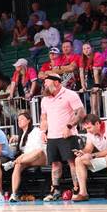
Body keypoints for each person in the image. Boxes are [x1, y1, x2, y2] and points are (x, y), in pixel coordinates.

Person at [40, 74, 84, 202]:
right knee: (54, 163)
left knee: (72, 162)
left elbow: (80, 112)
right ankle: (55, 190)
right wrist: (43, 131)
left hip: (68, 135)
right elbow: (43, 117)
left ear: (57, 83)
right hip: (52, 136)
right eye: (44, 84)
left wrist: (69, 126)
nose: (45, 86)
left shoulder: (70, 94)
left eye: (47, 83)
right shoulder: (45, 99)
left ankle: (77, 188)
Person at [8, 111, 46, 202]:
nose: (19, 121)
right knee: (18, 165)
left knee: (38, 150)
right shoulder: (22, 134)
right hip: (27, 159)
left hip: (40, 157)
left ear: (28, 120)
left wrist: (23, 156)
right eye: (18, 120)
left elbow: (36, 148)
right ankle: (14, 194)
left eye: (22, 119)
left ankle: (14, 162)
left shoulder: (36, 131)